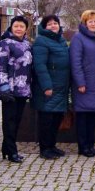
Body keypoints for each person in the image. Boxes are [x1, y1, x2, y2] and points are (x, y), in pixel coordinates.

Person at [32, 14, 70, 160]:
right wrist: (46, 86)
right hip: (49, 87)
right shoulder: (41, 41)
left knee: (56, 119)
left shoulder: (60, 41)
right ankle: (44, 148)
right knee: (46, 119)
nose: (53, 26)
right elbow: (40, 66)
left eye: (55, 23)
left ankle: (52, 146)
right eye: (49, 24)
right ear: (44, 27)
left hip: (61, 86)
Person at [0, 15, 33, 163]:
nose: (19, 29)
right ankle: (12, 151)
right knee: (9, 121)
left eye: (21, 26)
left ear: (26, 29)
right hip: (10, 89)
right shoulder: (5, 43)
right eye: (16, 26)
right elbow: (0, 66)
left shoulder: (27, 44)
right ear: (11, 27)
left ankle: (7, 147)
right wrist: (4, 87)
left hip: (23, 88)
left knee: (17, 121)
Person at [70, 9, 95, 157]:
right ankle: (83, 147)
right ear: (85, 22)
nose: (93, 24)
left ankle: (90, 145)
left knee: (92, 116)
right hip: (84, 84)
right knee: (83, 117)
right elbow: (75, 62)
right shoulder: (78, 38)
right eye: (90, 21)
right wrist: (80, 82)